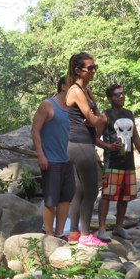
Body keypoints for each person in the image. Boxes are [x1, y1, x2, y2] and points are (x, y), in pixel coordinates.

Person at [95, 84, 140, 242]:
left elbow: (135, 137)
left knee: (125, 196)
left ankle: (119, 228)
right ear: (110, 98)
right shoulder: (105, 116)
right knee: (106, 195)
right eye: (117, 94)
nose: (122, 96)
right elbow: (95, 138)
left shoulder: (129, 114)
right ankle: (101, 229)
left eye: (123, 93)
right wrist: (109, 147)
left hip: (128, 162)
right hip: (112, 162)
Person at [65, 53, 108, 247]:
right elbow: (94, 119)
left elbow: (97, 119)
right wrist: (96, 119)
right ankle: (85, 235)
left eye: (94, 67)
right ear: (78, 70)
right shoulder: (75, 91)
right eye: (89, 68)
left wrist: (96, 119)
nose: (93, 71)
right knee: (91, 192)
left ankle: (74, 234)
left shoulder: (87, 91)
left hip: (85, 144)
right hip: (80, 146)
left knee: (80, 192)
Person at [31, 77, 75, 237]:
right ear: (63, 87)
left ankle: (60, 234)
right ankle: (49, 236)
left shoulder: (72, 109)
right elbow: (35, 131)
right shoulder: (47, 105)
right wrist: (41, 155)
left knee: (65, 199)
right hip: (51, 161)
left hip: (67, 161)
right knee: (51, 201)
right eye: (72, 86)